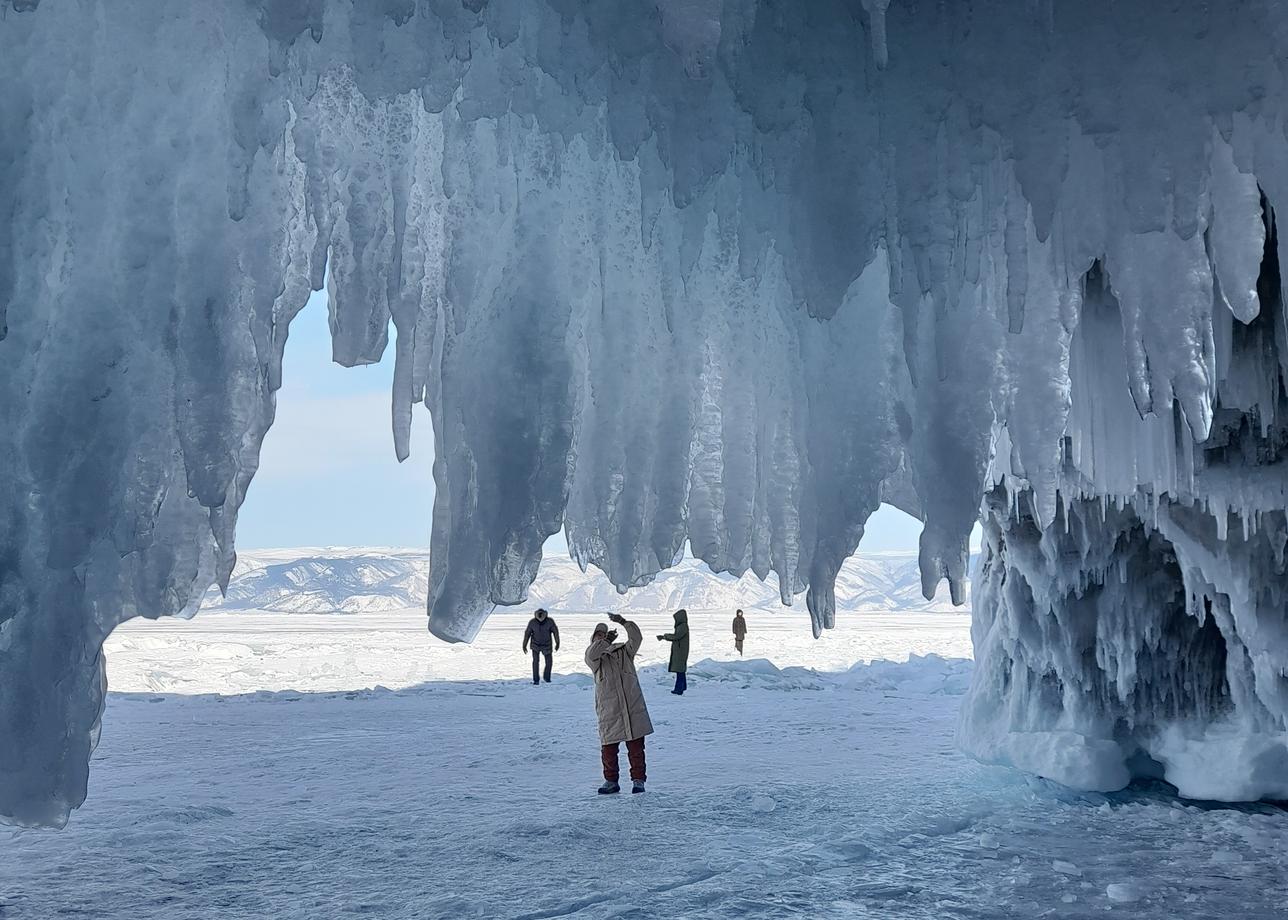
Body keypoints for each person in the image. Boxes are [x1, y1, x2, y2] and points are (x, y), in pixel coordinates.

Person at [585, 612, 653, 794]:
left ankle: (638, 781)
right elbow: (592, 653)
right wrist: (605, 640)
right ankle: (611, 781)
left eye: (604, 634)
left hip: (632, 707)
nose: (602, 637)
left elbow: (637, 637)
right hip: (610, 711)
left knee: (636, 748)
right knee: (608, 750)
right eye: (598, 635)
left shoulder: (624, 652)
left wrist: (623, 622)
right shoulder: (595, 660)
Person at [522, 608, 560, 685]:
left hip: (547, 645)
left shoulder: (550, 621)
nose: (540, 617)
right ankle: (536, 680)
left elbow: (555, 632)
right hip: (535, 645)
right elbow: (527, 634)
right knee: (535, 662)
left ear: (545, 614)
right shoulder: (532, 622)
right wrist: (524, 645)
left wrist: (557, 642)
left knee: (548, 662)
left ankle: (547, 677)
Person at [658, 608, 690, 695]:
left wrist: (665, 636)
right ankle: (683, 686)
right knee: (680, 670)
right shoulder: (682, 626)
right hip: (679, 650)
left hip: (680, 651)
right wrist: (665, 637)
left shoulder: (683, 626)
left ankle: (679, 689)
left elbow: (677, 636)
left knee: (680, 670)